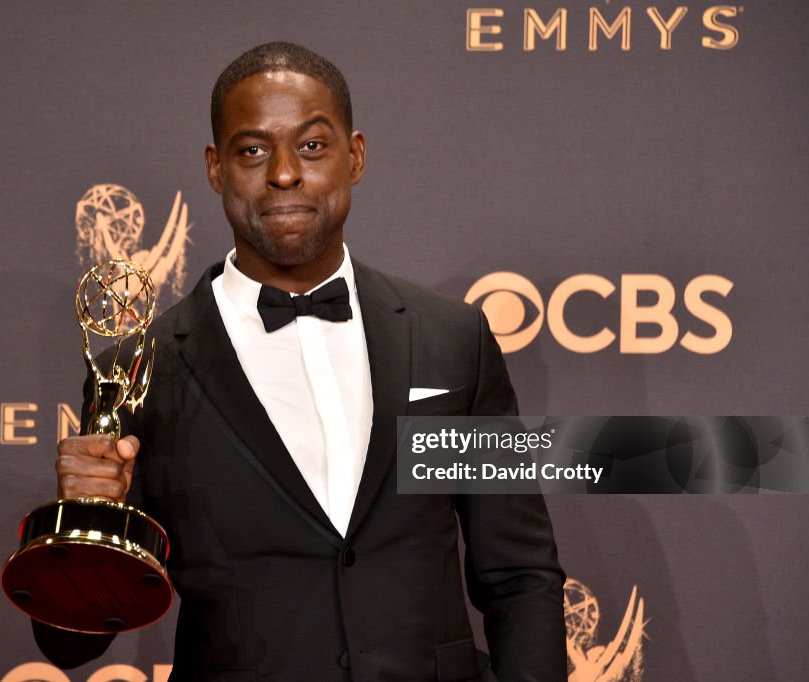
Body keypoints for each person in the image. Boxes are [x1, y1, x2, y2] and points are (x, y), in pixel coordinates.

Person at [40, 42, 566, 681]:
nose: (284, 173)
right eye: (253, 150)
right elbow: (73, 645)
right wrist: (81, 526)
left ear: (356, 156)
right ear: (215, 168)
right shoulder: (137, 372)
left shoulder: (454, 340)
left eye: (312, 146)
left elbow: (520, 575)